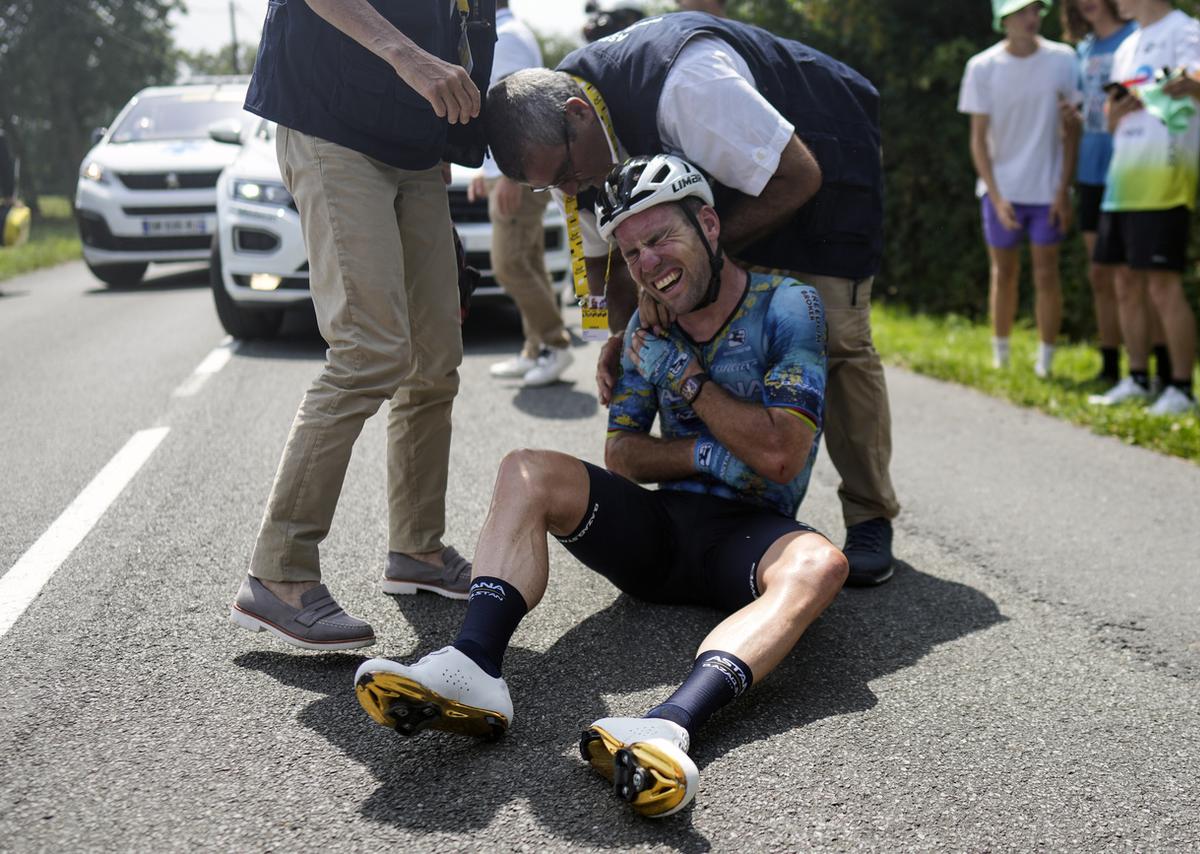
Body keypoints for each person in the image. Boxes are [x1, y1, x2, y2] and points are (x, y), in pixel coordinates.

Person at [353, 155, 848, 819]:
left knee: (821, 563)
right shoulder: (646, 326)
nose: (647, 264)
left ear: (708, 223)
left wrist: (684, 378)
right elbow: (623, 456)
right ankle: (473, 664)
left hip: (751, 540)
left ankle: (669, 728)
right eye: (632, 250)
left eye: (660, 239)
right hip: (658, 538)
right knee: (525, 466)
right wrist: (712, 451)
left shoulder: (790, 306)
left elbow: (781, 456)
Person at [482, 11, 901, 586]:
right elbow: (602, 247)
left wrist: (703, 261)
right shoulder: (566, 134)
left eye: (566, 175)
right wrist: (618, 336)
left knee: (839, 336)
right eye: (549, 186)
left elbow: (798, 176)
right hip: (714, 199)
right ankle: (735, 492)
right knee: (689, 309)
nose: (568, 192)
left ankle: (871, 514)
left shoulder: (687, 87)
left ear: (579, 117)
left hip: (817, 160)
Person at [228, 0, 495, 651]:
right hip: (332, 124)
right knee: (369, 352)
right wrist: (407, 54)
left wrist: (448, 144)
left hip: (416, 144)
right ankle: (279, 575)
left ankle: (417, 552)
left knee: (436, 363)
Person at [1086, 0, 1200, 415]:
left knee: (1163, 286)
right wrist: (1119, 111)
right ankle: (1138, 378)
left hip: (1165, 180)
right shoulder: (1129, 44)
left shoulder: (1184, 30)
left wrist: (1189, 85)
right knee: (1125, 284)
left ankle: (1182, 389)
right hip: (1121, 181)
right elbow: (1110, 119)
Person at [959, 0, 1081, 379]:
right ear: (1004, 19)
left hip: (1048, 189)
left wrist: (1063, 189)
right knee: (1003, 272)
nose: (1033, 18)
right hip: (1001, 192)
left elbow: (1073, 131)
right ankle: (1002, 357)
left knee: (1047, 274)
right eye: (1024, 11)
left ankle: (1045, 363)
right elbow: (978, 140)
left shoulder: (1064, 59)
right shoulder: (983, 66)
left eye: (1037, 11)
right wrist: (995, 196)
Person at [469, 1, 575, 387]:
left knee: (510, 264)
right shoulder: (509, 33)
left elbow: (518, 116)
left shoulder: (506, 38)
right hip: (510, 169)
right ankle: (536, 349)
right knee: (528, 261)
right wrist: (487, 169)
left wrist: (510, 177)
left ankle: (554, 344)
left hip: (517, 172)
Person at [1062, 0, 1146, 387]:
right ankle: (1110, 366)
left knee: (1135, 276)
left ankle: (1150, 369)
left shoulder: (1137, 38)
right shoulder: (1081, 52)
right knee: (1099, 273)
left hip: (1129, 170)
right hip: (1090, 174)